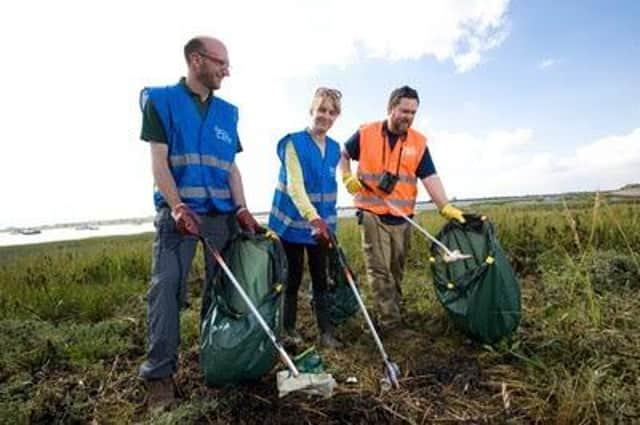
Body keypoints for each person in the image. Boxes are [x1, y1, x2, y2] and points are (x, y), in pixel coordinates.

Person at [138, 36, 262, 410]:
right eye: (220, 62)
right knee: (167, 289)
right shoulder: (161, 101)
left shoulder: (227, 112)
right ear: (196, 61)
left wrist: (241, 208)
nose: (227, 69)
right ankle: (159, 375)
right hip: (179, 216)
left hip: (221, 216)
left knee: (221, 290)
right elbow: (159, 161)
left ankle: (217, 359)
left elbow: (231, 167)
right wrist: (176, 207)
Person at [339, 85, 465, 335]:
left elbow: (430, 177)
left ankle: (392, 310)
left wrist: (445, 206)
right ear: (391, 108)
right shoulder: (366, 133)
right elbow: (343, 154)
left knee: (396, 269)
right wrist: (346, 177)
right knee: (379, 269)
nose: (408, 116)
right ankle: (390, 324)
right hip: (372, 212)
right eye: (404, 110)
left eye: (413, 112)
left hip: (403, 217)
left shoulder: (418, 143)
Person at [268, 87, 344, 349]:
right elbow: (295, 187)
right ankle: (288, 328)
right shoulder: (293, 143)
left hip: (321, 228)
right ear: (312, 111)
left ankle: (325, 332)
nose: (326, 116)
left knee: (321, 277)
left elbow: (330, 187)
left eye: (332, 112)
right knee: (293, 278)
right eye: (322, 110)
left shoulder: (335, 149)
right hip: (292, 225)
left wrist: (326, 223)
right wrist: (314, 219)